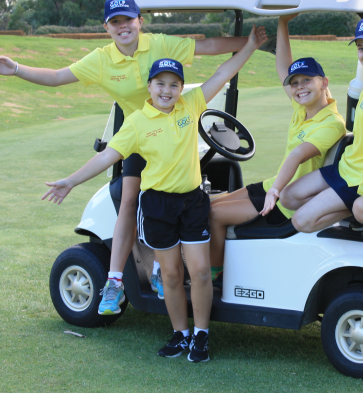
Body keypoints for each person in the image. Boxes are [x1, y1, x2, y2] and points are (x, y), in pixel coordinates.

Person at [0, 0, 256, 303]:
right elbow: (59, 76)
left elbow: (207, 48)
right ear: (107, 27)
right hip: (138, 135)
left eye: (127, 19)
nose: (123, 26)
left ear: (139, 21)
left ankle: (162, 266)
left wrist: (251, 41)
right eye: (115, 22)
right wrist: (16, 68)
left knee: (173, 197)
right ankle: (116, 279)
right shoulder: (102, 60)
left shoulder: (159, 44)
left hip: (170, 133)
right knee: (129, 201)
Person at [41, 26, 268, 363]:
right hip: (158, 206)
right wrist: (71, 181)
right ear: (149, 87)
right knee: (172, 274)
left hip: (191, 202)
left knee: (200, 272)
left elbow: (223, 72)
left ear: (181, 87)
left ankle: (201, 335)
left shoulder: (191, 104)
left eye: (173, 84)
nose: (167, 90)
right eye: (160, 84)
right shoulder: (136, 122)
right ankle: (181, 334)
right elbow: (107, 156)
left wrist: (248, 47)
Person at [207, 14, 346, 286]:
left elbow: (297, 155)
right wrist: (283, 22)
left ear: (324, 82)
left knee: (212, 215)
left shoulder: (332, 123)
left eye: (307, 80)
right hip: (276, 187)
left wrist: (274, 191)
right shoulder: (302, 108)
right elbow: (283, 65)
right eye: (295, 83)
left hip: (287, 201)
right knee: (209, 205)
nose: (299, 87)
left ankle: (213, 279)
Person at [279, 16, 363, 233]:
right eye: (361, 48)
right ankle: (348, 208)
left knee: (301, 221)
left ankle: (357, 211)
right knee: (288, 197)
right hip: (349, 166)